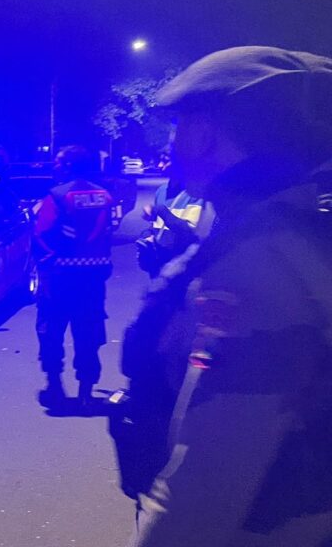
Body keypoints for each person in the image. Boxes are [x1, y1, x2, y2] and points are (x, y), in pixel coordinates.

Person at [118, 47, 332, 547]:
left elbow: (213, 468)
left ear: (209, 135)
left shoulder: (261, 259)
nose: (174, 141)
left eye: (182, 125)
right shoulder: (282, 226)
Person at [33, 145, 114, 412]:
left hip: (60, 277)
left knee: (51, 330)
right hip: (92, 278)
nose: (55, 166)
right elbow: (107, 233)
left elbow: (42, 233)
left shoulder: (57, 196)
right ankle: (86, 392)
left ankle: (55, 386)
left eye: (59, 162)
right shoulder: (103, 195)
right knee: (89, 332)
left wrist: (44, 265)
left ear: (68, 166)